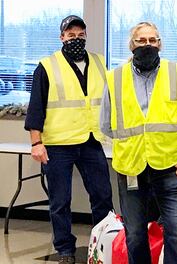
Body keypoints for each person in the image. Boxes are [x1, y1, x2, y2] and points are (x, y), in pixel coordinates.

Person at [100, 22, 177, 264]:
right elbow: (105, 124)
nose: (147, 45)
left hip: (169, 167)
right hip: (130, 167)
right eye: (141, 40)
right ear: (131, 45)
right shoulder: (114, 78)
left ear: (160, 44)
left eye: (152, 40)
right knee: (136, 234)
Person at [24, 15, 114, 264]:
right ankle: (65, 250)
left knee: (102, 196)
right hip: (58, 145)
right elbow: (36, 108)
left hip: (91, 141)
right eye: (71, 35)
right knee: (60, 201)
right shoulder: (47, 66)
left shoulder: (99, 62)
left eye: (80, 34)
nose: (76, 38)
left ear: (86, 36)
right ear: (62, 37)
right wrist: (36, 143)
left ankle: (104, 243)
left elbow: (110, 101)